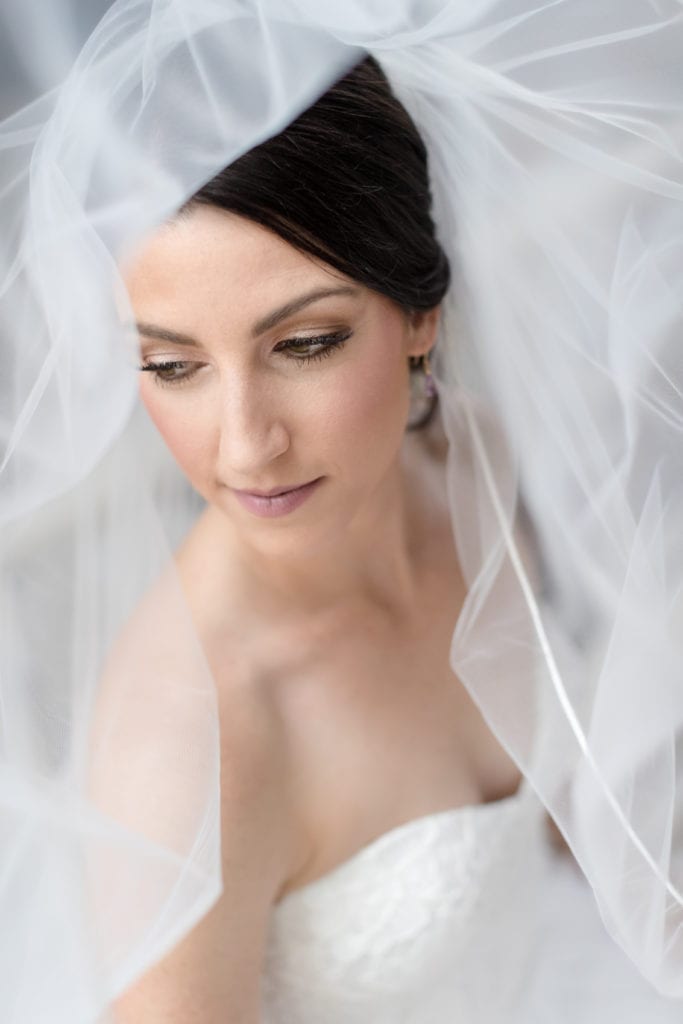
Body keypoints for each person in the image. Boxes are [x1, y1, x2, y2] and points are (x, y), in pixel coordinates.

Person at [2, 4, 683, 1022]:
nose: (242, 444)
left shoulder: (476, 461)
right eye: (171, 364)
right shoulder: (198, 735)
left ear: (419, 315)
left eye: (304, 343)